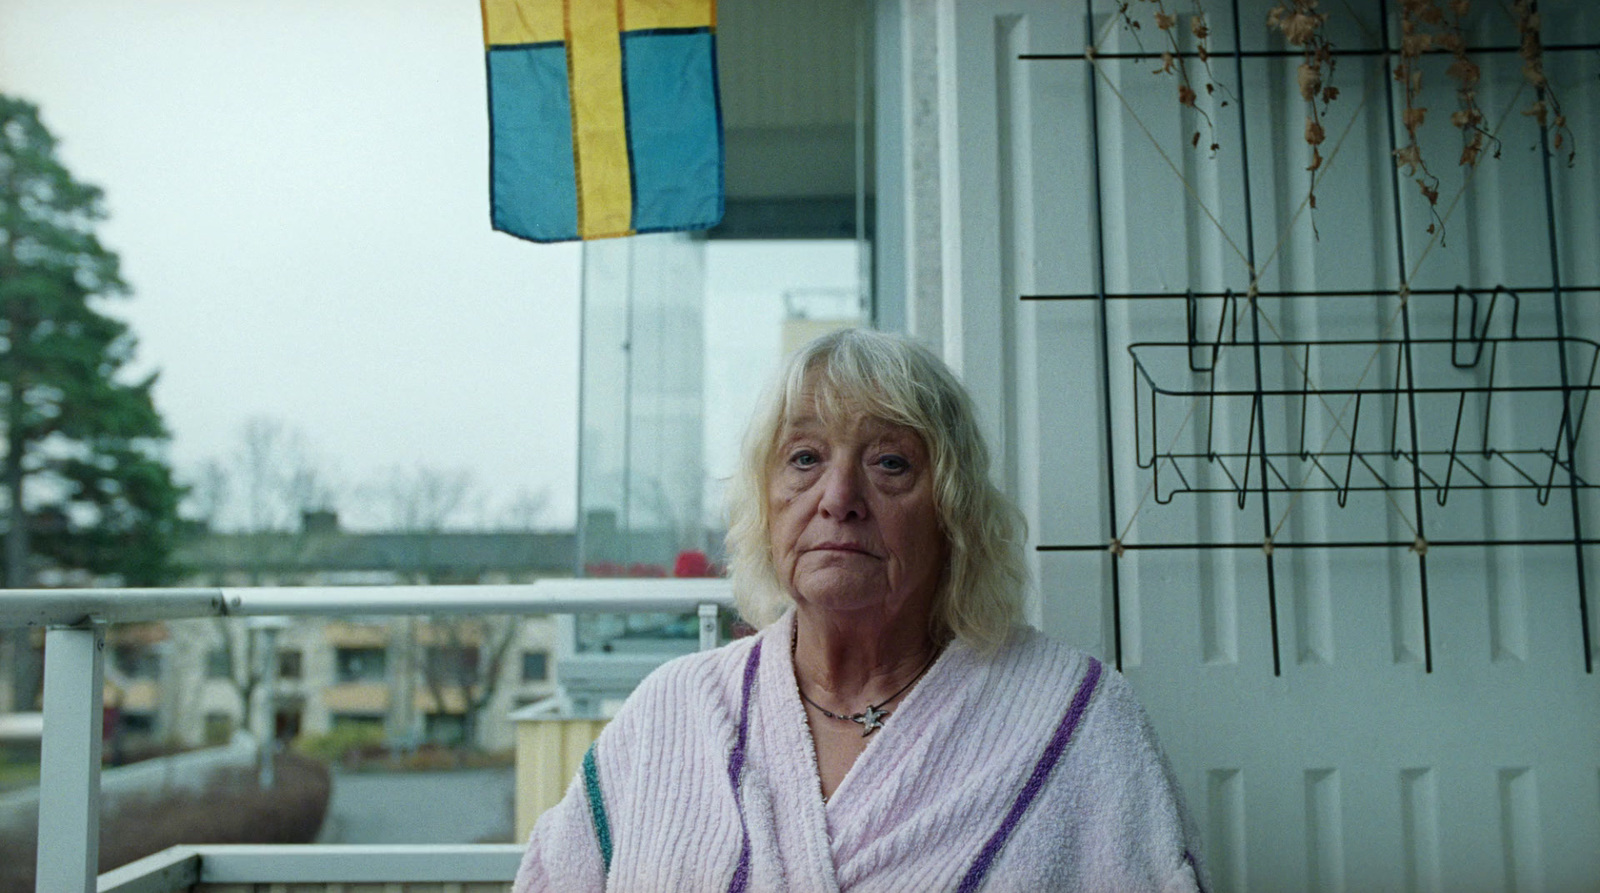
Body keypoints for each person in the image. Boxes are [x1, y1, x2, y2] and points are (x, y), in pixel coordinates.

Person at [513, 328, 1204, 892]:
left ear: (952, 511)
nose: (838, 495)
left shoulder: (1077, 722)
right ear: (767, 501)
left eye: (890, 462)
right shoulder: (670, 714)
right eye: (805, 457)